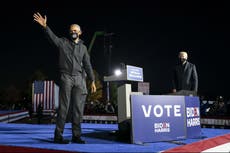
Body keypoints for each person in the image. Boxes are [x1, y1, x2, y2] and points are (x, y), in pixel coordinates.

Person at [33, 12, 96, 144]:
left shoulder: (84, 48)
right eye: (71, 30)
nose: (73, 32)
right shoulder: (63, 42)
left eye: (76, 30)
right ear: (69, 32)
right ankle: (58, 136)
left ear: (80, 32)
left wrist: (93, 80)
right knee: (64, 107)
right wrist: (45, 27)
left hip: (79, 79)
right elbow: (53, 38)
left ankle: (76, 136)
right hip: (66, 77)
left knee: (78, 108)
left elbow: (88, 65)